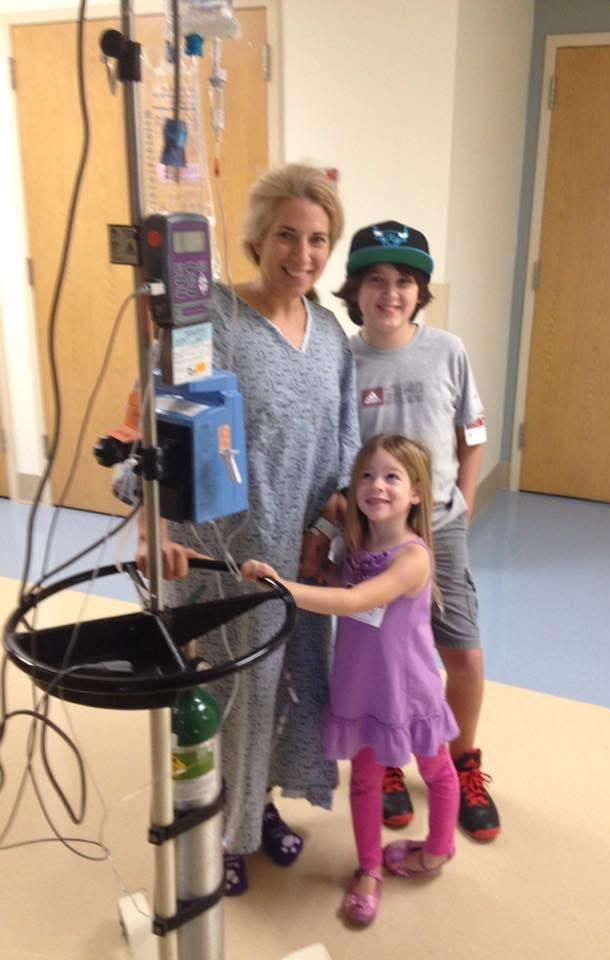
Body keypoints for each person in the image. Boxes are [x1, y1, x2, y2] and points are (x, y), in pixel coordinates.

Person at [136, 163, 360, 894]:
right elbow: (157, 428)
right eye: (287, 235)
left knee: (288, 685)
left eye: (319, 239)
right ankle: (218, 829)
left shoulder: (330, 336)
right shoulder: (213, 322)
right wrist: (155, 528)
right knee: (232, 692)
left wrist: (328, 530)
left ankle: (256, 804)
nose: (303, 253)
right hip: (223, 551)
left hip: (295, 554)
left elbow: (343, 448)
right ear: (258, 237)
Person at [242, 434, 460, 926]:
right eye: (366, 475)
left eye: (391, 477)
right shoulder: (358, 553)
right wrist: (313, 563)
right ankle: (369, 869)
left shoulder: (413, 558)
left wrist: (282, 587)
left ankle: (438, 850)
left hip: (410, 691)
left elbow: (355, 601)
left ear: (416, 494)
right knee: (363, 782)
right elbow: (340, 582)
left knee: (436, 770)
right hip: (361, 690)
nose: (376, 486)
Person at [333, 221, 500, 842]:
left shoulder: (446, 350)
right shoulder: (341, 358)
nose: (390, 293)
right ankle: (390, 759)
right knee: (381, 656)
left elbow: (472, 432)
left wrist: (466, 499)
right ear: (356, 290)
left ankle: (462, 763)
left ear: (420, 290)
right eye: (376, 279)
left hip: (441, 526)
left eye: (404, 280)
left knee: (460, 650)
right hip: (371, 533)